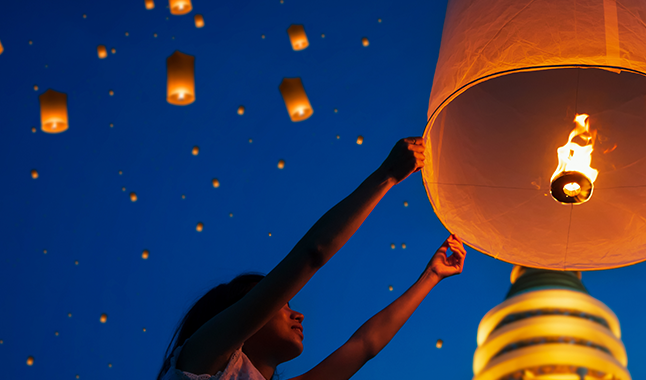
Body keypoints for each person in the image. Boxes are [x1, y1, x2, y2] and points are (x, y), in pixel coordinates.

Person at [157, 137, 468, 380]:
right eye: (280, 303)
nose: (298, 315)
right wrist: (386, 175)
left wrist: (432, 276)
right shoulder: (200, 359)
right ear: (239, 315)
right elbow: (313, 254)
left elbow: (363, 345)